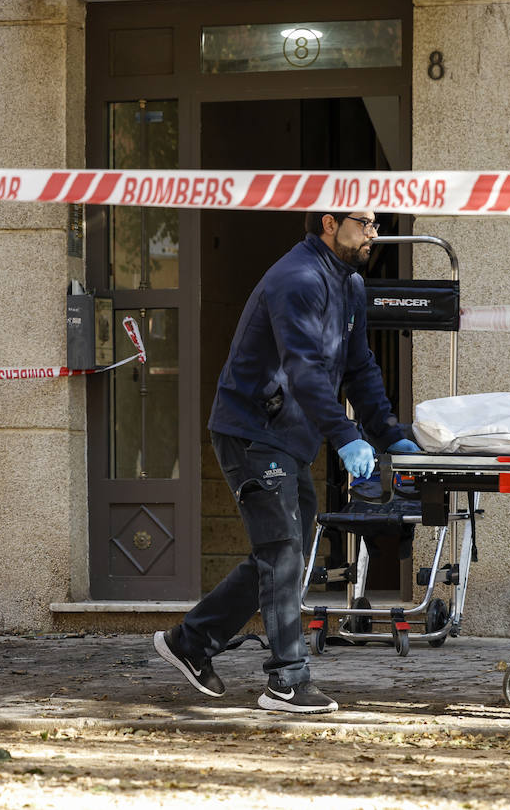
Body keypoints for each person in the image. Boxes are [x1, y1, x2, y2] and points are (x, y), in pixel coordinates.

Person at [153, 210, 421, 714]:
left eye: (377, 224)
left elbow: (359, 367)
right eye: (364, 223)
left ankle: (190, 643)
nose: (374, 234)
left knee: (284, 554)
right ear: (328, 222)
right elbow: (303, 368)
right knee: (282, 552)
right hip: (252, 432)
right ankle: (287, 680)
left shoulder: (352, 286)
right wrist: (345, 436)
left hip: (287, 438)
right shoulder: (297, 279)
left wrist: (386, 435)